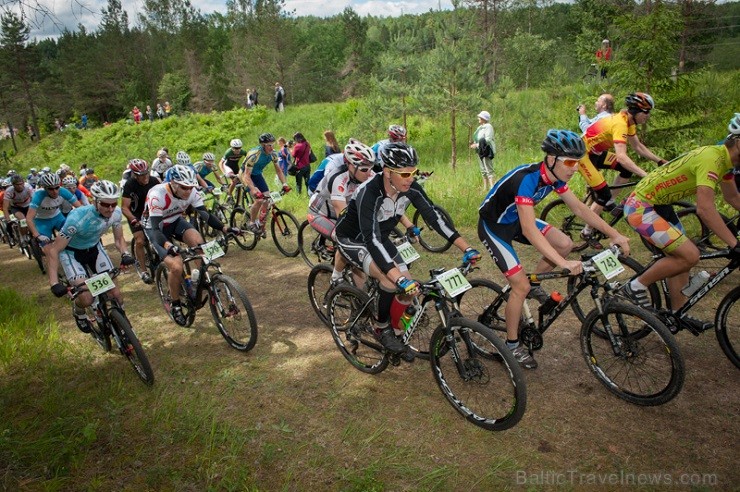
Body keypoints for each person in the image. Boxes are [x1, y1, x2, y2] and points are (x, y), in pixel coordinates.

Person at [478, 129, 630, 369]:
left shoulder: (556, 178)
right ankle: (511, 344)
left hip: (515, 219)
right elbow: (529, 230)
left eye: (578, 163)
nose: (575, 168)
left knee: (565, 243)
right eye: (570, 162)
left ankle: (535, 286)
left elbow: (580, 209)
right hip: (494, 226)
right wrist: (563, 264)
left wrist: (615, 234)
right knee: (520, 285)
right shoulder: (526, 179)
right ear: (550, 159)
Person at [334, 142, 481, 361]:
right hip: (353, 239)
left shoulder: (410, 187)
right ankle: (380, 327)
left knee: (409, 287)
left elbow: (434, 217)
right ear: (387, 172)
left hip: (379, 237)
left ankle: (396, 332)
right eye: (404, 173)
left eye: (413, 172)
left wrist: (466, 247)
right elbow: (371, 239)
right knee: (390, 279)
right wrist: (395, 276)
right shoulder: (369, 192)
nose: (410, 177)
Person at [622, 114, 740, 331]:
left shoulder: (726, 163)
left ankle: (677, 313)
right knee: (689, 254)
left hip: (659, 205)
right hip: (640, 206)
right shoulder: (712, 159)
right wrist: (734, 244)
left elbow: (732, 197)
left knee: (682, 254)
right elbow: (705, 209)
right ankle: (635, 286)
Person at [142, 166, 239, 325]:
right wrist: (168, 245)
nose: (188, 191)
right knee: (176, 266)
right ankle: (176, 305)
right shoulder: (157, 195)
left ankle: (203, 281)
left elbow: (205, 215)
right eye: (184, 187)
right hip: (156, 228)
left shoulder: (192, 191)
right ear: (173, 184)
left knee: (200, 244)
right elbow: (157, 230)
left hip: (175, 221)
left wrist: (225, 228)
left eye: (191, 187)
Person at [578, 92, 668, 241]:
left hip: (597, 153)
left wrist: (658, 160)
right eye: (646, 112)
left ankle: (608, 203)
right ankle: (587, 231)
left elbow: (638, 146)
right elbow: (621, 156)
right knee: (603, 193)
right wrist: (645, 175)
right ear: (635, 111)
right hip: (583, 155)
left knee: (625, 170)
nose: (648, 115)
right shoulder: (620, 123)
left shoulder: (629, 122)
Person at [46, 181, 134, 333]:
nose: (110, 209)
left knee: (115, 294)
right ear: (95, 201)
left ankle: (122, 323)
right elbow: (54, 250)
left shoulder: (116, 213)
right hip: (72, 253)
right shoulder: (77, 218)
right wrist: (54, 283)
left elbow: (119, 239)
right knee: (87, 298)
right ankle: (79, 312)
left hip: (94, 249)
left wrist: (125, 254)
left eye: (113, 204)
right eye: (106, 205)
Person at [308, 139, 376, 261]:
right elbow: (344, 216)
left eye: (371, 168)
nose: (369, 172)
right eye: (364, 169)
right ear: (350, 165)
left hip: (338, 209)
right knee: (346, 239)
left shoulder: (367, 174)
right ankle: (337, 277)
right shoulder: (338, 178)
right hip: (320, 214)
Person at [239, 133, 291, 233]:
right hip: (245, 175)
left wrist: (285, 184)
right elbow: (246, 175)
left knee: (267, 199)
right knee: (259, 199)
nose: (272, 147)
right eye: (269, 145)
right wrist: (254, 190)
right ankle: (251, 223)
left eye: (273, 144)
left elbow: (279, 171)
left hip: (257, 174)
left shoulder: (273, 154)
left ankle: (260, 222)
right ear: (263, 145)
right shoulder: (254, 155)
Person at [121, 159, 161, 284]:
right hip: (136, 215)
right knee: (140, 240)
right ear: (134, 175)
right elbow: (124, 207)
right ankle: (144, 271)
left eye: (146, 173)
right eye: (141, 175)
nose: (145, 177)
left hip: (151, 213)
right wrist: (133, 219)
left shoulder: (154, 181)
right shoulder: (129, 185)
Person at [26, 173, 80, 253]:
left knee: (73, 235)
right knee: (47, 248)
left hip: (58, 217)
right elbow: (29, 218)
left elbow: (80, 208)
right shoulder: (38, 195)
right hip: (41, 221)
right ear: (45, 188)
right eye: (50, 189)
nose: (55, 191)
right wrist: (37, 235)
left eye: (57, 187)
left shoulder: (63, 191)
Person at [3, 174, 34, 242]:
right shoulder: (9, 191)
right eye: (17, 184)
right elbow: (5, 207)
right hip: (16, 208)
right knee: (22, 220)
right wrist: (8, 220)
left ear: (23, 182)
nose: (20, 186)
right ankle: (23, 237)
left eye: (21, 183)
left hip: (28, 205)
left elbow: (34, 200)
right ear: (13, 185)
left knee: (33, 219)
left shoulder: (28, 187)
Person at [470, 111, 496, 189]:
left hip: (486, 150)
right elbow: (477, 138)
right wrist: (474, 144)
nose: (478, 118)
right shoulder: (480, 127)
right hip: (480, 151)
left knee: (488, 169)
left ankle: (492, 188)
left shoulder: (488, 126)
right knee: (483, 169)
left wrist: (476, 145)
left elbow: (487, 139)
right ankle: (485, 187)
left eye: (480, 117)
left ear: (484, 118)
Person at [219, 138, 247, 204]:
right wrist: (224, 172)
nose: (237, 150)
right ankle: (229, 196)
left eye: (239, 148)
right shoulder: (228, 152)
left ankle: (238, 199)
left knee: (241, 181)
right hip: (227, 166)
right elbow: (220, 163)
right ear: (232, 148)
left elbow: (248, 159)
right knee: (234, 180)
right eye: (235, 148)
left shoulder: (243, 152)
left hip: (235, 166)